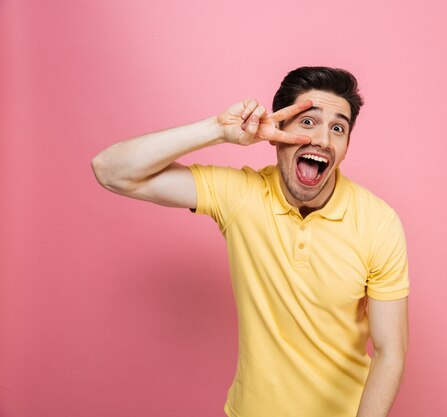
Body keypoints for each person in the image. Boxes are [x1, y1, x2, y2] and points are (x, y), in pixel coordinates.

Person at [91, 66, 409, 417]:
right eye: (307, 121)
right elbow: (111, 170)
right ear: (276, 133)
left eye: (338, 128)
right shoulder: (242, 195)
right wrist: (217, 131)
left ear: (346, 146)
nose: (322, 139)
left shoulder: (378, 223)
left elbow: (389, 351)